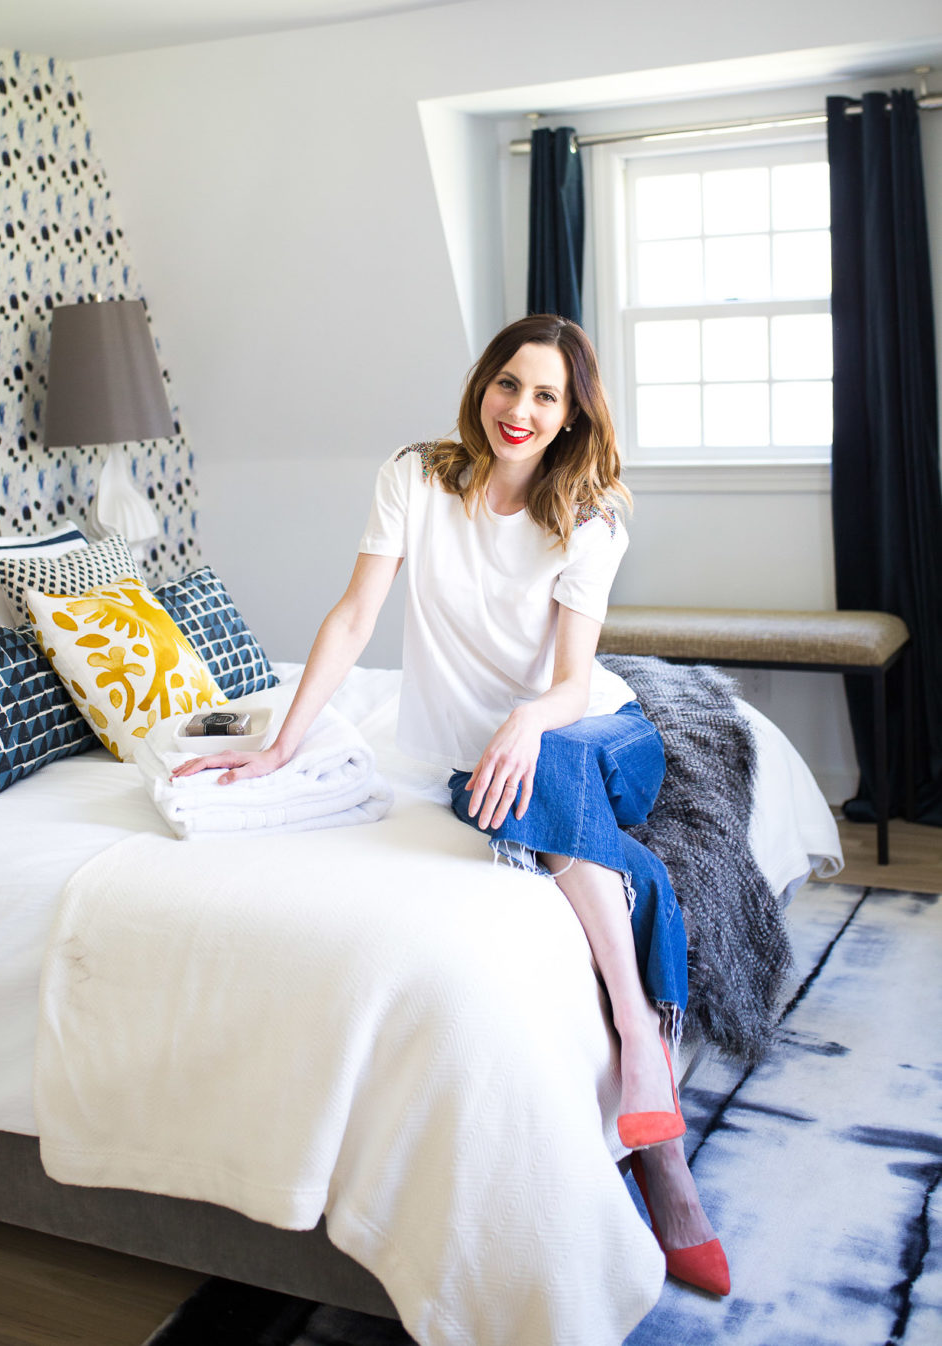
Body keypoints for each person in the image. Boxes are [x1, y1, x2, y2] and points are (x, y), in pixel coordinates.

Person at [176, 312, 729, 1296]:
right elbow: (352, 619)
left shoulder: (588, 517)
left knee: (531, 773)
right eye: (508, 384)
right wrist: (279, 745)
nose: (520, 408)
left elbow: (572, 680)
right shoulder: (414, 479)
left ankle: (641, 1052)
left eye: (545, 396)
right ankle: (657, 1119)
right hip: (476, 763)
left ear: (569, 418)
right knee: (512, 800)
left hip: (597, 736)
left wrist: (524, 722)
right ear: (483, 386)